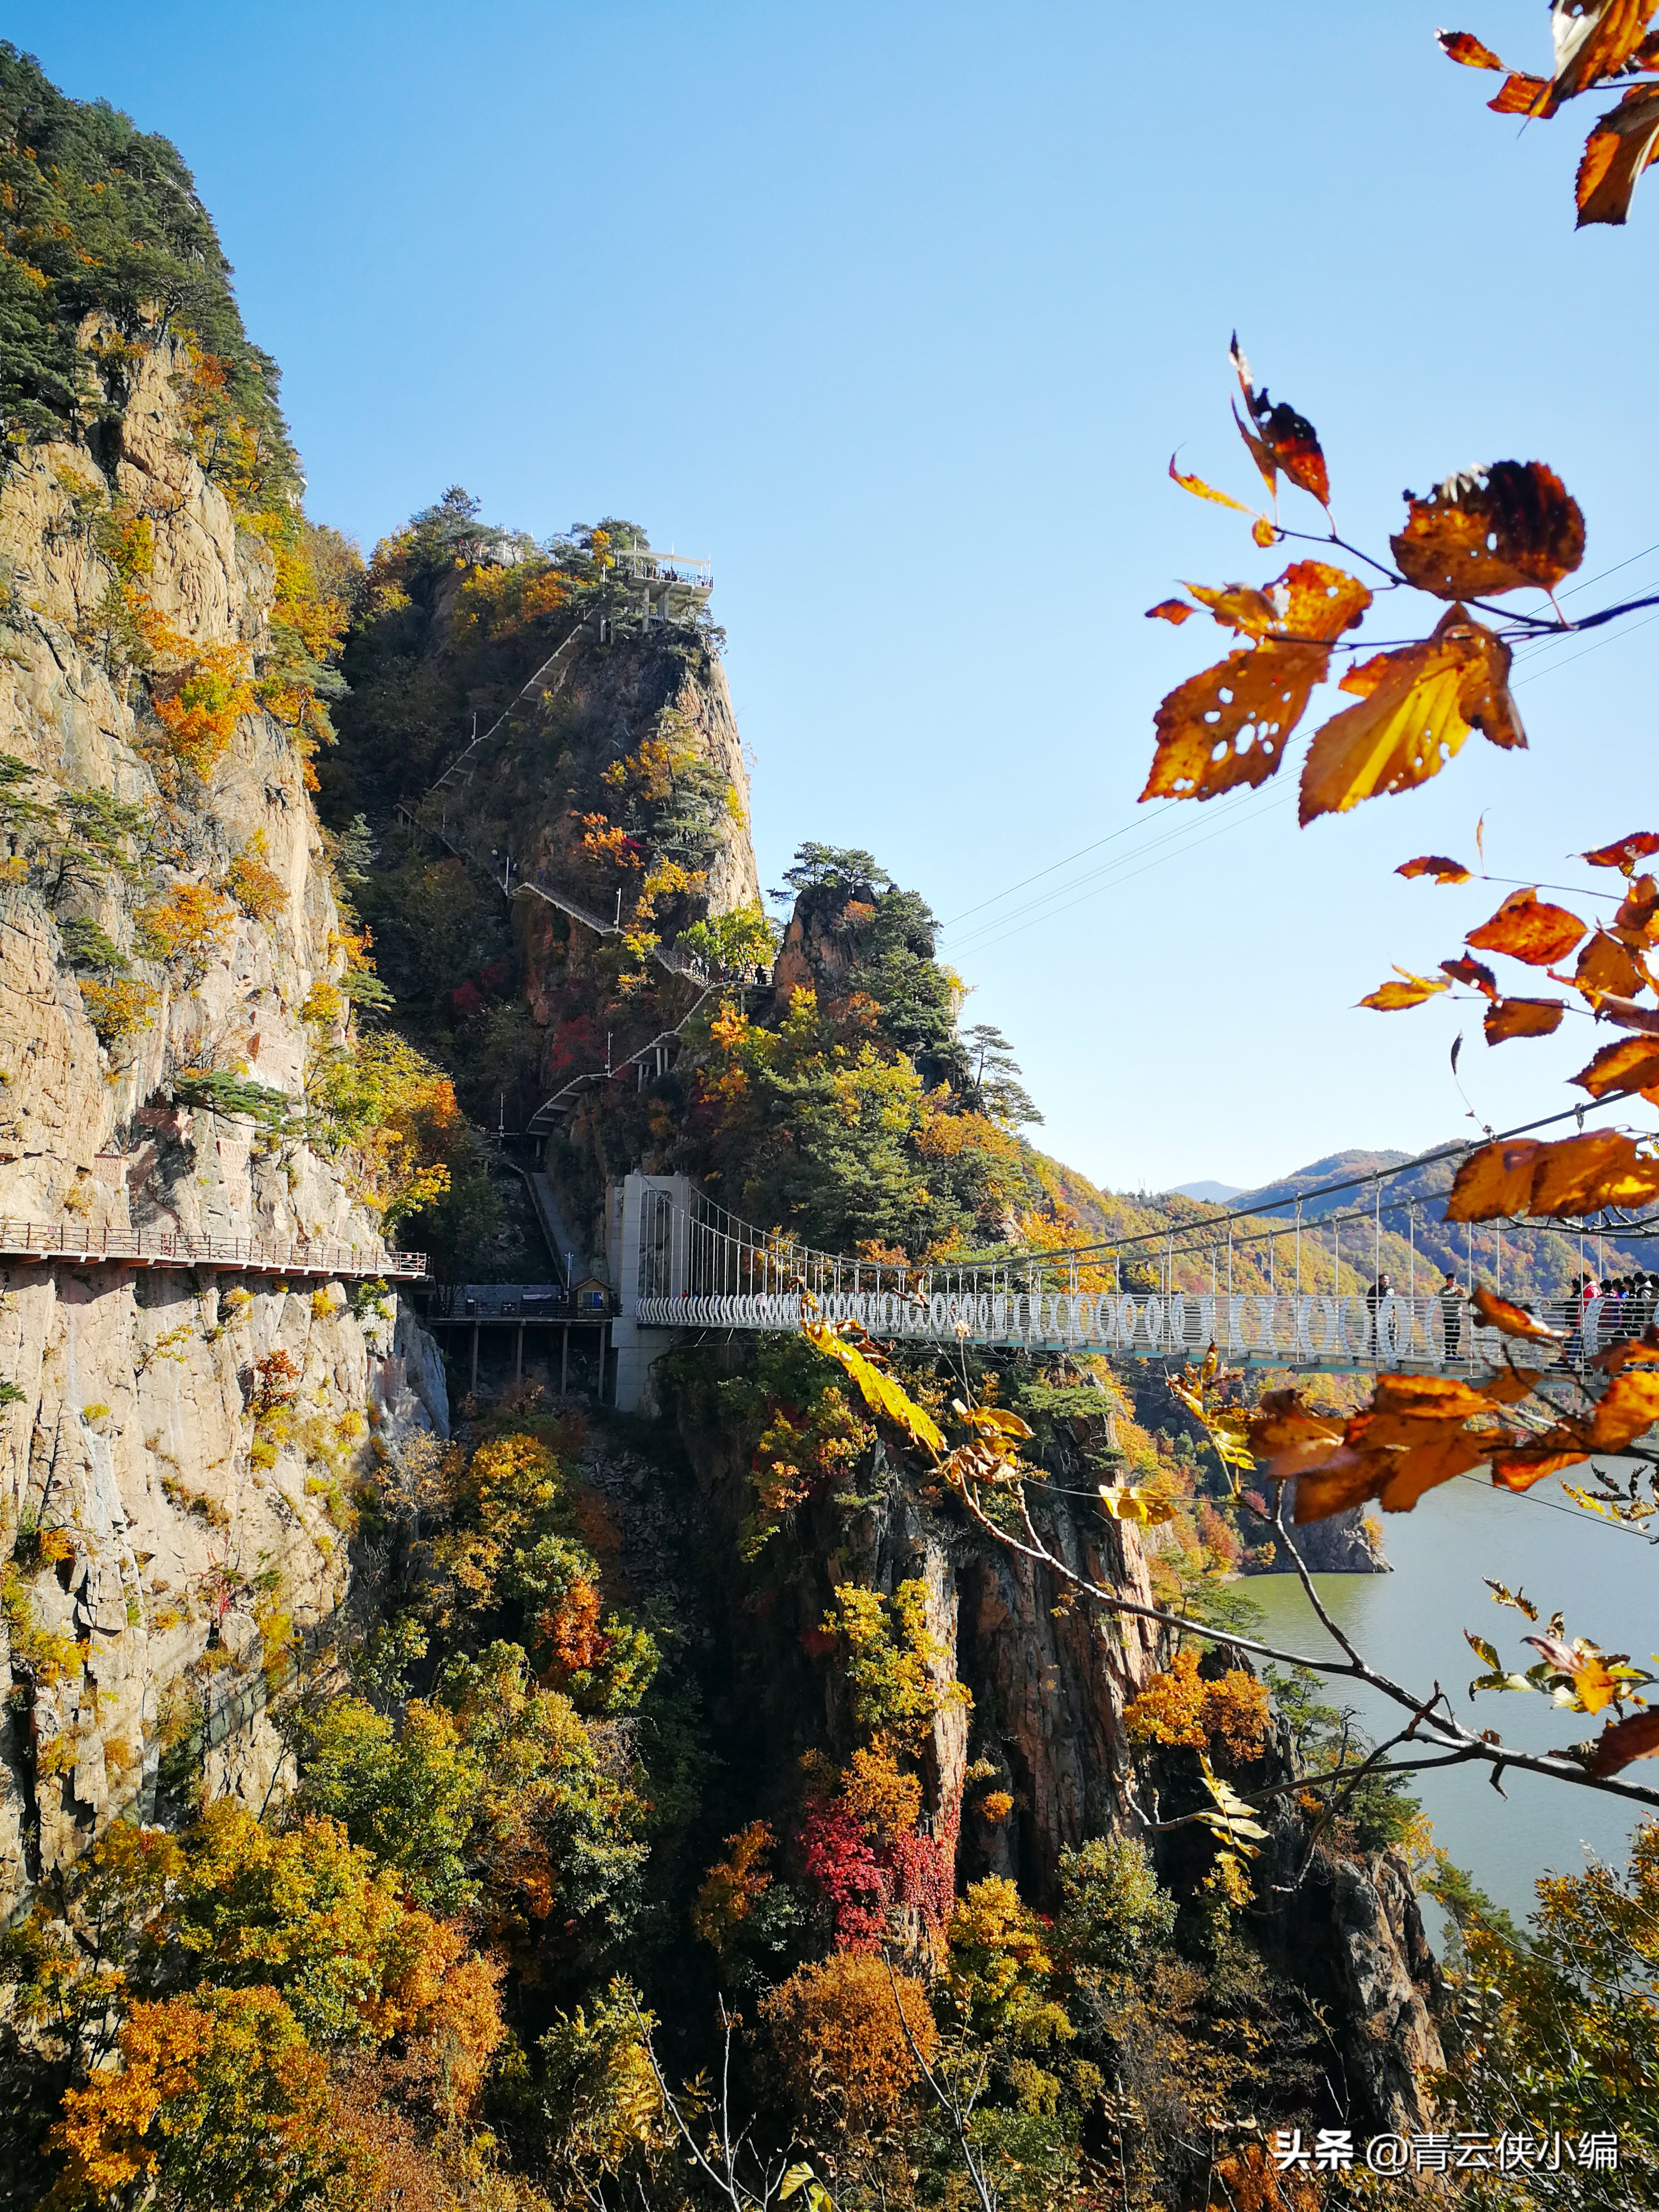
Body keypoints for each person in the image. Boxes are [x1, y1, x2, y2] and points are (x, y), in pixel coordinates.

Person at [1438, 1270, 1463, 1361]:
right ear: (1447, 1281)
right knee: (1449, 1334)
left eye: (1454, 1281)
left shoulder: (1454, 1290)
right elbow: (1444, 1299)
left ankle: (1454, 1352)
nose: (1453, 1282)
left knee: (1456, 1335)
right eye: (1452, 1280)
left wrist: (1461, 1295)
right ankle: (1448, 1353)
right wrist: (1456, 1294)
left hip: (1457, 1315)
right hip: (1449, 1315)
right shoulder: (1443, 1291)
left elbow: (1461, 1300)